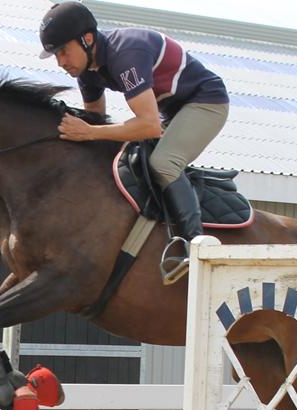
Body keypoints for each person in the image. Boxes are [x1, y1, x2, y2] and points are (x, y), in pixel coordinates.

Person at [38, 1, 230, 269]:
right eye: (56, 55)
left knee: (163, 163)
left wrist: (90, 132)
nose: (61, 62)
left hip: (206, 102)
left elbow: (148, 125)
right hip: (173, 110)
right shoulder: (88, 72)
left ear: (88, 39)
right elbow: (95, 118)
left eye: (63, 51)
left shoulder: (125, 54)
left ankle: (196, 246)